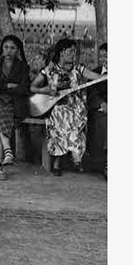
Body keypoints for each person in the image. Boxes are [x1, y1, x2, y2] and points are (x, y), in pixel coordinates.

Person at [30, 39, 103, 176]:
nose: (73, 55)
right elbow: (32, 87)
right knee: (60, 115)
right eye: (70, 52)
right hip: (56, 106)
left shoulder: (78, 69)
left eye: (74, 52)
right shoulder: (49, 70)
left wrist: (106, 76)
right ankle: (68, 158)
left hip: (76, 106)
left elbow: (96, 77)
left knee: (71, 116)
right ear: (62, 53)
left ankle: (64, 159)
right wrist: (45, 90)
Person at [0, 35, 31, 181]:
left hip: (14, 102)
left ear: (18, 50)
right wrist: (7, 85)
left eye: (12, 48)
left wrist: (3, 88)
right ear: (2, 48)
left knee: (2, 115)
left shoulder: (23, 67)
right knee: (2, 114)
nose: (8, 51)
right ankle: (7, 152)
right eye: (6, 47)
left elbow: (24, 88)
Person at [87, 43, 108, 178]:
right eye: (102, 56)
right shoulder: (94, 73)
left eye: (107, 56)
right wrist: (102, 103)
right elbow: (92, 94)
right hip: (101, 109)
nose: (104, 59)